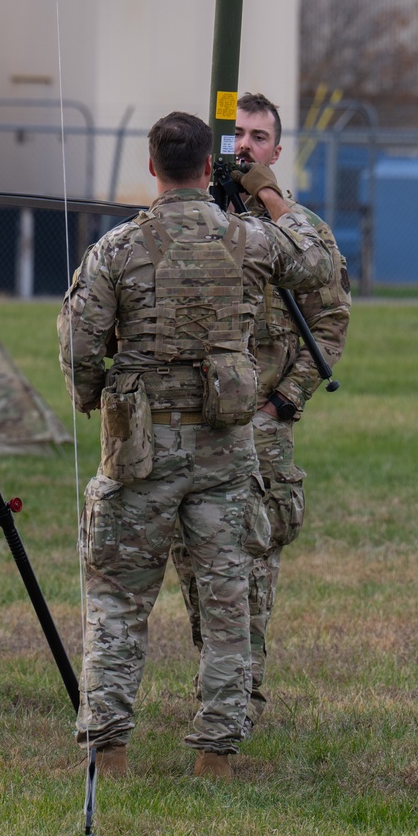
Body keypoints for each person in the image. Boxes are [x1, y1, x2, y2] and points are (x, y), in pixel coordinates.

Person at [58, 112, 334, 778]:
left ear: (151, 168)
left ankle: (110, 750)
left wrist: (93, 395)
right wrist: (270, 193)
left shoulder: (118, 248)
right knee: (226, 599)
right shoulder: (250, 239)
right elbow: (320, 262)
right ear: (210, 169)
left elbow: (79, 343)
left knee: (118, 600)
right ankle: (217, 754)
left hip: (138, 448)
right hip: (224, 449)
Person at [170, 93, 350, 736]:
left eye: (258, 137)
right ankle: (218, 674)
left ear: (276, 149)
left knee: (251, 563)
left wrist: (284, 400)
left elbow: (327, 320)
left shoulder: (294, 230)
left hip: (259, 427)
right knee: (193, 564)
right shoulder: (197, 222)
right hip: (193, 423)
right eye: (235, 135)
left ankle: (241, 692)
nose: (244, 146)